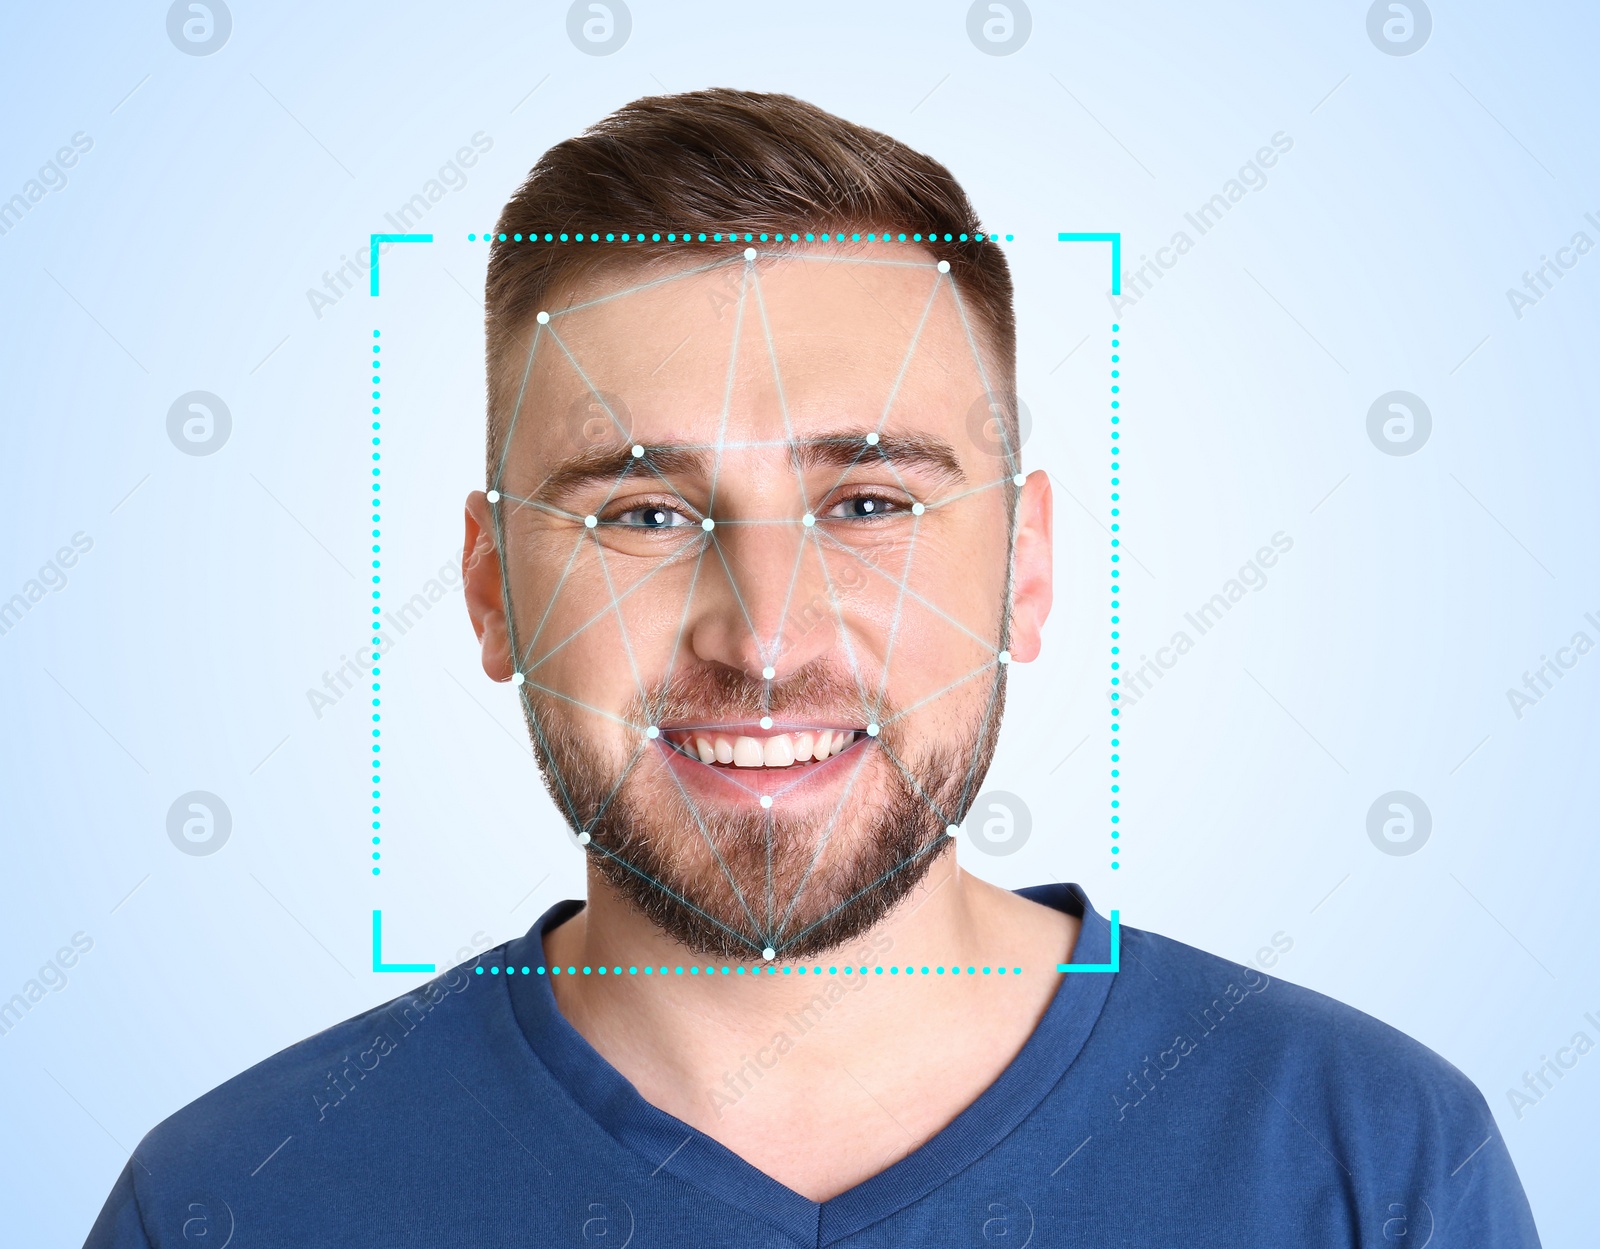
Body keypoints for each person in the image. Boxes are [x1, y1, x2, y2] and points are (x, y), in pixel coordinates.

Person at [85, 89, 1540, 1248]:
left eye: (870, 504)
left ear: (1025, 568)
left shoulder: (1375, 1166)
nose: (765, 636)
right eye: (643, 514)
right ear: (490, 591)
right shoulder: (235, 1201)